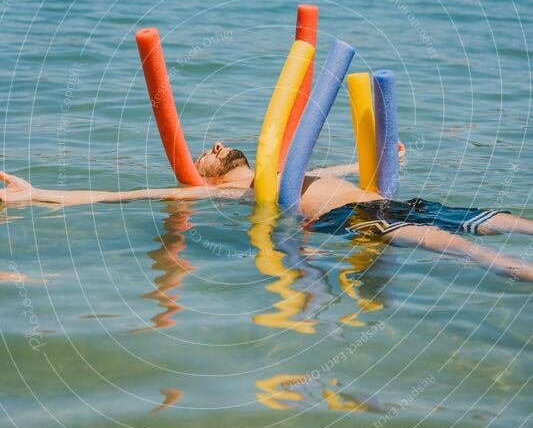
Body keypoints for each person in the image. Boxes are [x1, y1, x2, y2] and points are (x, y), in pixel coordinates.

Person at [1, 141, 533, 280]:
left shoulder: (280, 164)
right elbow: (116, 197)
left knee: (482, 214)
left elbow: (340, 168)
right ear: (204, 173)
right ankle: (511, 267)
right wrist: (35, 194)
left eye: (212, 144)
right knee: (446, 240)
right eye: (204, 154)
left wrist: (379, 155)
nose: (213, 145)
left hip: (378, 199)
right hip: (346, 221)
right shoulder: (225, 192)